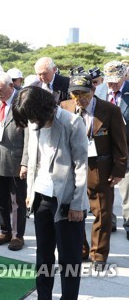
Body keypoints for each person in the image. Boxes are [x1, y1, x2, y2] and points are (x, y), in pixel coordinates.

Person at [13, 86, 88, 300]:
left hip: (66, 201)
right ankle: (43, 296)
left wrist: (77, 204)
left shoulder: (72, 123)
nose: (31, 121)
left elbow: (81, 166)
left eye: (32, 116)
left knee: (69, 258)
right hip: (41, 199)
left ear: (43, 108)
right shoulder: (33, 121)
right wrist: (30, 191)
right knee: (43, 256)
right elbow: (35, 161)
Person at [60, 72, 127, 270]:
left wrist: (118, 170)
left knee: (102, 213)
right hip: (72, 168)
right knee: (73, 210)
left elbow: (121, 145)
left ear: (94, 90)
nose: (79, 99)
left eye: (84, 94)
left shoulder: (110, 110)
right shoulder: (65, 107)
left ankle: (98, 254)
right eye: (75, 94)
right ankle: (80, 249)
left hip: (101, 167)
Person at [0, 72, 28, 251]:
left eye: (1, 90)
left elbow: (29, 136)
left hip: (17, 160)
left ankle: (18, 235)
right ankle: (5, 231)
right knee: (0, 198)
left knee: (18, 200)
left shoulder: (23, 103)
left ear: (12, 86)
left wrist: (25, 161)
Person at [104, 60, 129, 240]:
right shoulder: (99, 92)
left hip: (126, 150)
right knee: (105, 190)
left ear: (123, 77)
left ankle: (128, 223)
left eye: (115, 81)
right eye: (109, 81)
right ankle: (108, 221)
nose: (111, 85)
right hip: (103, 150)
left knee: (127, 191)